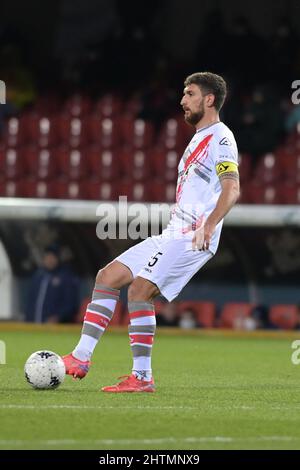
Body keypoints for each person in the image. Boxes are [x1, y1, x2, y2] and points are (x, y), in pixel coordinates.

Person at [63, 72, 240, 392]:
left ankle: (142, 377)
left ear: (209, 99)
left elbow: (232, 190)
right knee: (108, 276)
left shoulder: (222, 138)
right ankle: (80, 357)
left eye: (189, 94)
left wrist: (209, 225)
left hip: (193, 235)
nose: (182, 100)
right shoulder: (199, 138)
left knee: (139, 290)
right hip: (174, 231)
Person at [25, 245, 80, 323]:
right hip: (34, 326)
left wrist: (58, 317)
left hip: (56, 328)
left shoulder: (66, 277)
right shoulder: (38, 276)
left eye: (52, 257)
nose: (50, 260)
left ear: (58, 259)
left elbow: (71, 303)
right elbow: (30, 301)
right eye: (47, 257)